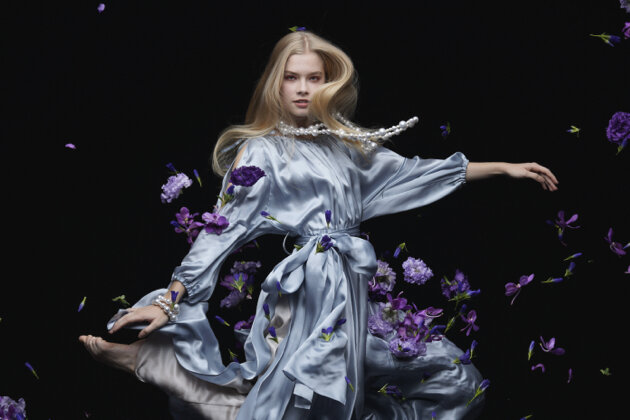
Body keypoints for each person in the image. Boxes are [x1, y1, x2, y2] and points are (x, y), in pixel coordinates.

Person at [79, 30, 558, 420]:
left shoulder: (344, 146)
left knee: (455, 380)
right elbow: (221, 230)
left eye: (314, 78)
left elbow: (412, 173)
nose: (303, 88)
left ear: (328, 84)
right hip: (309, 294)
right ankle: (151, 361)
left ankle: (150, 364)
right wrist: (169, 299)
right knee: (295, 406)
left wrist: (503, 168)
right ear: (276, 84)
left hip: (354, 290)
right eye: (292, 77)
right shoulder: (262, 151)